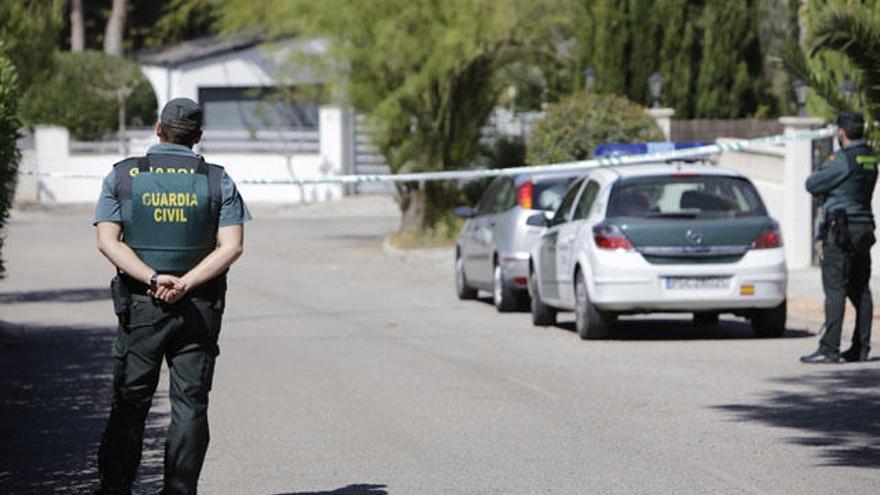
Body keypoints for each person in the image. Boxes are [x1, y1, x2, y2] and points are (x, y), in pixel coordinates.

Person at [93, 97, 251, 493]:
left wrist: (153, 279)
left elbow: (107, 241)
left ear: (159, 130)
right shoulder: (218, 180)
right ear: (197, 137)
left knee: (130, 403)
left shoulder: (123, 177)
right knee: (190, 405)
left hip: (142, 306)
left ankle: (115, 489)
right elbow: (231, 247)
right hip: (198, 307)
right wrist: (186, 283)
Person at [801, 111, 878, 364]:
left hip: (840, 230)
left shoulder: (842, 159)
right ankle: (861, 348)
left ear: (841, 132)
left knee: (835, 288)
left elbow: (812, 183)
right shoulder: (870, 157)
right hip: (864, 228)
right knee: (861, 291)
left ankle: (829, 349)